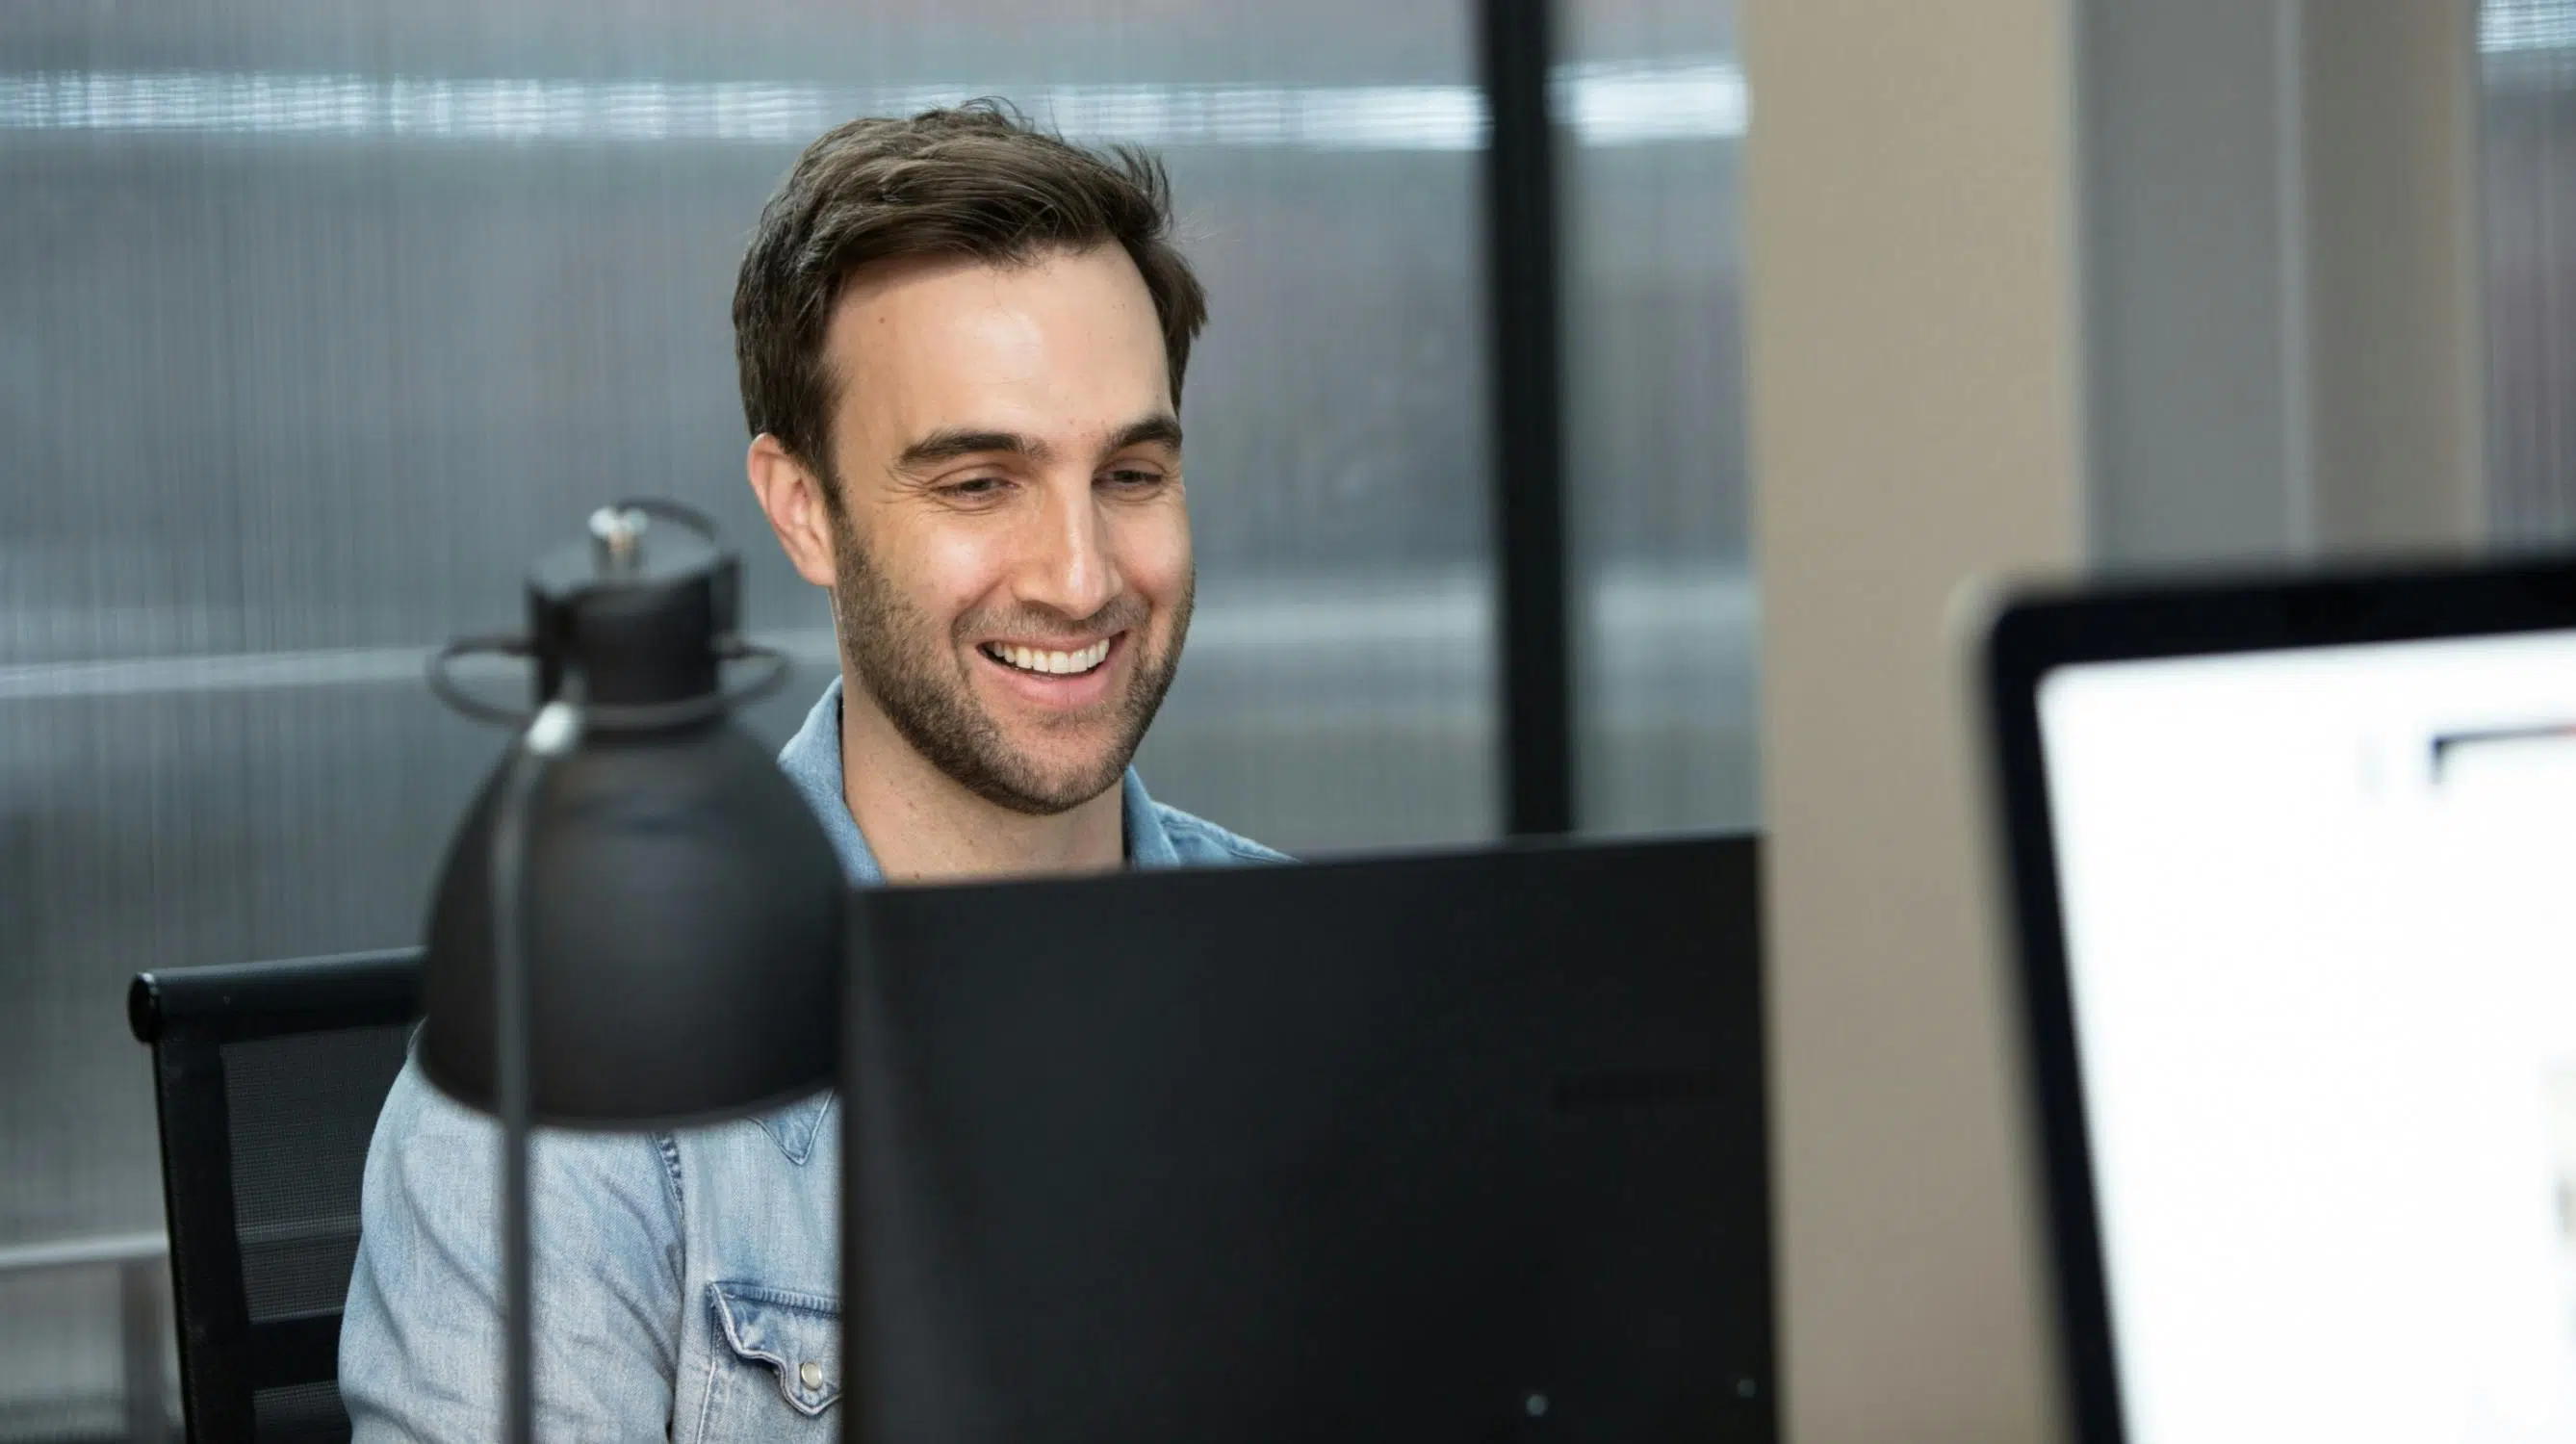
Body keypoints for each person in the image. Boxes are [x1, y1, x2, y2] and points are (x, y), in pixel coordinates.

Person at [340, 102, 1283, 1440]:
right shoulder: (582, 1078)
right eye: (977, 483)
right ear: (803, 512)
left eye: (1130, 474)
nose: (1081, 579)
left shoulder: (1331, 983)